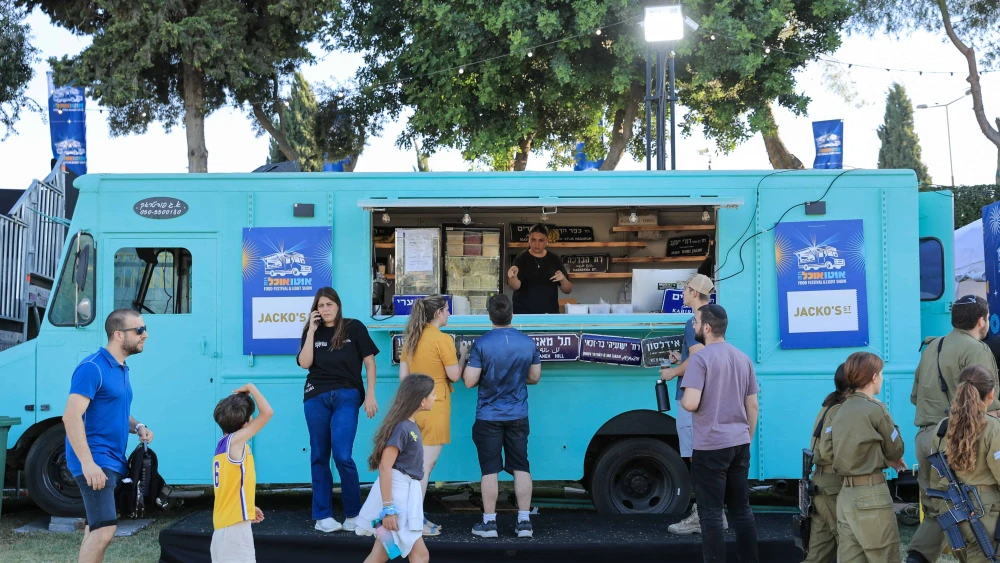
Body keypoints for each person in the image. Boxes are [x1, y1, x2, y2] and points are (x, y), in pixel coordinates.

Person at [908, 294, 1000, 563]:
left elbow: (915, 397)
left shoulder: (933, 346)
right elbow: (987, 400)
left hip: (927, 438)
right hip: (958, 437)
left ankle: (916, 558)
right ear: (982, 321)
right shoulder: (976, 349)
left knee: (939, 509)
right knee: (975, 506)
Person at [62, 309, 154, 563]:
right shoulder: (92, 368)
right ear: (118, 335)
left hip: (112, 460)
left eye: (144, 329)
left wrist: (138, 427)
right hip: (96, 461)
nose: (145, 335)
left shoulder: (121, 368)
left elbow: (114, 410)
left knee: (96, 527)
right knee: (105, 530)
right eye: (139, 330)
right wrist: (88, 464)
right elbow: (71, 417)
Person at [679, 304, 759, 563]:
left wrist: (682, 395)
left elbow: (690, 403)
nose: (693, 326)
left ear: (707, 327)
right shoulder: (742, 358)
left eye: (696, 322)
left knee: (711, 514)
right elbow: (753, 405)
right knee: (741, 510)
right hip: (739, 443)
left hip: (710, 446)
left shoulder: (700, 359)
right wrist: (747, 437)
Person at [297, 287, 380, 533]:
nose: (325, 309)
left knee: (343, 455)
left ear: (338, 305)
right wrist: (311, 330)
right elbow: (304, 363)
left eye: (329, 305)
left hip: (347, 395)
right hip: (316, 396)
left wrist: (371, 394)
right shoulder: (311, 331)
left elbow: (370, 362)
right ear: (316, 309)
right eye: (321, 306)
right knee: (320, 455)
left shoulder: (354, 327)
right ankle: (323, 516)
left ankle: (353, 514)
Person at [463, 293, 541, 539]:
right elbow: (534, 377)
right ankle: (525, 523)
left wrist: (464, 356)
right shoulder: (528, 343)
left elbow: (469, 381)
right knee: (521, 466)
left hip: (489, 415)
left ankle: (489, 524)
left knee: (490, 470)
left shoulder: (481, 344)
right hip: (518, 413)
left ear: (489, 315)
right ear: (511, 313)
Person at [399, 294, 470, 536]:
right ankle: (414, 522)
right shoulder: (442, 339)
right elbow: (454, 376)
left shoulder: (411, 339)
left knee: (417, 467)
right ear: (438, 313)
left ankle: (416, 516)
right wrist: (463, 355)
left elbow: (403, 379)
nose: (449, 314)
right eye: (447, 310)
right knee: (424, 469)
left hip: (414, 408)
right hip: (436, 405)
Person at [831, 352, 906, 563]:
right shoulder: (875, 409)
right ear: (874, 377)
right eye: (881, 373)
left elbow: (834, 450)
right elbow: (896, 450)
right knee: (886, 556)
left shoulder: (841, 409)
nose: (882, 377)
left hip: (845, 496)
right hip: (871, 495)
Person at [659, 273, 719, 535]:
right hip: (710, 398)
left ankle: (701, 516)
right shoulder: (715, 319)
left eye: (685, 289)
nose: (682, 294)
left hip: (692, 397)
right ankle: (716, 513)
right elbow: (701, 355)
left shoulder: (693, 322)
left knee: (697, 458)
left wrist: (673, 372)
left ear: (694, 293)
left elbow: (697, 360)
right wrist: (681, 356)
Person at [356, 374, 437, 563]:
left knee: (381, 554)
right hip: (398, 498)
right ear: (421, 400)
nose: (435, 398)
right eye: (433, 394)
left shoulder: (409, 425)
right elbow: (385, 467)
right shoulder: (402, 428)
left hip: (404, 495)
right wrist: (389, 509)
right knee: (420, 555)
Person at [929, 364, 1000, 562]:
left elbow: (935, 477)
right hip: (985, 510)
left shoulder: (943, 427)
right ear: (991, 394)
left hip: (952, 510)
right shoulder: (993, 427)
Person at [211, 384, 274, 563]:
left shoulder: (224, 444)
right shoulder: (235, 442)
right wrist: (252, 388)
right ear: (246, 423)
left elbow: (231, 485)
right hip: (232, 530)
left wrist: (246, 507)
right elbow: (267, 413)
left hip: (226, 527)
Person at [806, 364, 850, 563]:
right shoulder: (841, 409)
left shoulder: (829, 404)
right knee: (849, 545)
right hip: (832, 485)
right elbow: (829, 451)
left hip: (822, 483)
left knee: (818, 555)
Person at [506, 223, 572, 314]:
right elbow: (514, 286)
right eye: (533, 240)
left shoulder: (554, 258)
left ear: (546, 241)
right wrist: (512, 276)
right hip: (524, 314)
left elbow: (568, 290)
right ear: (529, 239)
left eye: (541, 240)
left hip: (549, 314)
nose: (537, 244)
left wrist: (563, 280)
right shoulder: (521, 258)